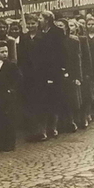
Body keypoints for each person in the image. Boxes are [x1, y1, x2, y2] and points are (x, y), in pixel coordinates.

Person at [35, 11, 67, 139]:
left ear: (47, 20)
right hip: (41, 72)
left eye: (40, 18)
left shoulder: (57, 32)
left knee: (54, 99)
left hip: (54, 72)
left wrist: (60, 69)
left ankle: (53, 127)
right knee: (42, 100)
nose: (38, 20)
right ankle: (42, 129)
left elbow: (61, 52)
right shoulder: (39, 33)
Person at [56, 19, 81, 133]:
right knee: (59, 98)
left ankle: (70, 121)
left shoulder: (73, 41)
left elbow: (77, 59)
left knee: (70, 98)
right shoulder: (52, 40)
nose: (59, 28)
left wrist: (77, 76)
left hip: (70, 72)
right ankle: (59, 123)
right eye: (57, 26)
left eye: (61, 26)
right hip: (56, 73)